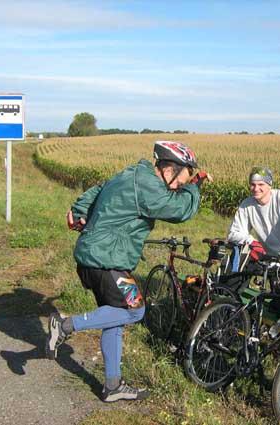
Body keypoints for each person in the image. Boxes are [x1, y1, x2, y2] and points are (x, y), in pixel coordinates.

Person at [46, 141, 211, 403]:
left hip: (95, 258)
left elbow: (100, 189)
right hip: (106, 260)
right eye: (183, 178)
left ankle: (112, 385)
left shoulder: (132, 174)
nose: (182, 184)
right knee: (135, 309)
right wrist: (195, 187)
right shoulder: (148, 187)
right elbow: (180, 210)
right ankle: (65, 325)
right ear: (171, 170)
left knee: (115, 318)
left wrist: (78, 210)